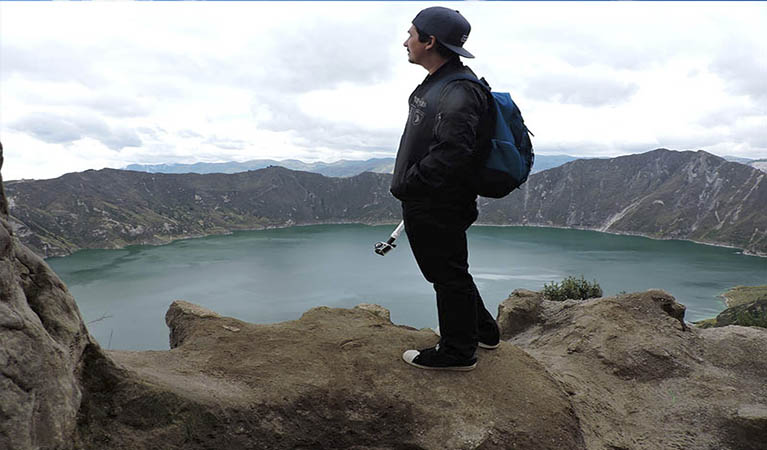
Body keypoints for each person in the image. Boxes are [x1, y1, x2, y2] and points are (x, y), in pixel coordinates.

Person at [391, 7, 500, 371]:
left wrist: (412, 183)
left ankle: (457, 351)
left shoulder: (458, 89)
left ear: (430, 40)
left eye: (412, 34)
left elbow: (454, 150)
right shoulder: (443, 80)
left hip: (437, 202)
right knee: (452, 270)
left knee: (446, 275)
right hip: (433, 199)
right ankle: (483, 331)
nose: (406, 41)